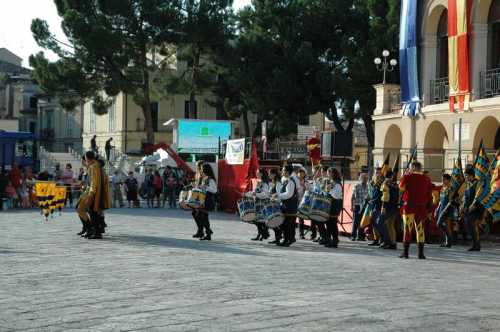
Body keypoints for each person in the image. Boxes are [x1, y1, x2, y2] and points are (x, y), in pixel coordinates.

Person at [399, 161, 433, 259]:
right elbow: (429, 194)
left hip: (409, 206)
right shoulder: (426, 179)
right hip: (421, 207)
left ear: (413, 167)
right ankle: (420, 253)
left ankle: (405, 253)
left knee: (407, 229)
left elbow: (401, 189)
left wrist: (403, 176)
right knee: (420, 230)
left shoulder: (406, 177)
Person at [76, 151, 110, 239]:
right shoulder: (95, 166)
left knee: (91, 211)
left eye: (85, 159)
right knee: (91, 211)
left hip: (93, 193)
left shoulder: (93, 167)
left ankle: (94, 231)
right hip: (93, 192)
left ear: (87, 158)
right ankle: (93, 230)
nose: (84, 161)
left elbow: (94, 182)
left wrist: (91, 193)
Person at [461, 165, 484, 252]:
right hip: (468, 208)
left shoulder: (477, 183)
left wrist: (473, 205)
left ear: (471, 175)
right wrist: (462, 205)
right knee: (468, 225)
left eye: (466, 175)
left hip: (476, 208)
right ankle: (475, 243)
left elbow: (478, 196)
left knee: (471, 223)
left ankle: (476, 245)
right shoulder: (468, 184)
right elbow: (465, 197)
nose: (465, 177)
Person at [276, 165, 298, 247]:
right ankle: (287, 239)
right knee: (285, 224)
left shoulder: (291, 181)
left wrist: (278, 195)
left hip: (290, 206)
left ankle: (287, 240)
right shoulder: (285, 180)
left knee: (287, 224)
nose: (282, 172)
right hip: (286, 205)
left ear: (288, 172)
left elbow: (289, 194)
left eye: (284, 170)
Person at [245, 168, 271, 241]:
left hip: (262, 205)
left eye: (257, 172)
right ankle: (262, 234)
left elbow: (265, 194)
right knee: (258, 221)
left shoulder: (265, 183)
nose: (256, 173)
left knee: (260, 221)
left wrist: (255, 194)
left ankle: (263, 234)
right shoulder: (259, 182)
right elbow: (254, 192)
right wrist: (246, 194)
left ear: (261, 174)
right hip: (257, 204)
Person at [377, 170, 399, 249]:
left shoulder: (385, 183)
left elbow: (385, 197)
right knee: (391, 225)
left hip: (388, 207)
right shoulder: (396, 184)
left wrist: (383, 207)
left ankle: (386, 241)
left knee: (379, 222)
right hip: (395, 207)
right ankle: (393, 243)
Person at [435, 174, 458, 248]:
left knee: (440, 224)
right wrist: (437, 209)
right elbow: (440, 200)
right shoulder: (443, 188)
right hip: (441, 207)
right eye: (442, 179)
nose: (443, 181)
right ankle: (447, 241)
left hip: (447, 209)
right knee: (444, 225)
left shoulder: (451, 188)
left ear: (448, 180)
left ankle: (449, 240)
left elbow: (450, 201)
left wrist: (445, 209)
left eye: (444, 179)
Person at [197, 163, 217, 241]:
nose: (201, 170)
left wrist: (205, 187)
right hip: (203, 200)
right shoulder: (205, 178)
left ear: (205, 170)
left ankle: (208, 233)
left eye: (202, 169)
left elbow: (214, 190)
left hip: (208, 200)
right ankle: (208, 232)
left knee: (203, 217)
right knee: (201, 216)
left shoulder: (210, 179)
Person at [324, 167, 342, 248]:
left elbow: (335, 195)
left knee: (332, 224)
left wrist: (328, 191)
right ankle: (329, 239)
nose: (328, 174)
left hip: (334, 205)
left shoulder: (337, 183)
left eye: (329, 173)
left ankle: (335, 240)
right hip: (330, 205)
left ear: (333, 174)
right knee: (329, 223)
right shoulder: (332, 182)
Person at [367, 167, 383, 246]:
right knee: (373, 223)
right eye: (376, 172)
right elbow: (372, 193)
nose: (377, 173)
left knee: (378, 223)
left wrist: (372, 200)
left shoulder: (382, 182)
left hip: (379, 206)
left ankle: (380, 239)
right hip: (372, 206)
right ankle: (376, 239)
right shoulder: (373, 182)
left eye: (378, 172)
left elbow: (380, 196)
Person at [351, 172, 368, 241]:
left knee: (362, 221)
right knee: (355, 221)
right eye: (363, 178)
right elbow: (352, 197)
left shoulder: (368, 186)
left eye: (366, 178)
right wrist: (352, 206)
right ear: (360, 179)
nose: (365, 179)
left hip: (365, 206)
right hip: (357, 205)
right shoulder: (357, 186)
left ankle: (360, 236)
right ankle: (353, 235)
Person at [191, 161, 206, 238]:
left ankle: (202, 231)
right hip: (196, 194)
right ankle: (200, 230)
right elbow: (197, 184)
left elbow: (201, 185)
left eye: (198, 166)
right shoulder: (197, 174)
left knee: (198, 214)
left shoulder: (202, 175)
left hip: (200, 196)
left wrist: (197, 186)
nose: (196, 167)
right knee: (195, 213)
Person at [268, 168, 283, 244]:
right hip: (273, 204)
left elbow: (280, 195)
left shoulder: (278, 183)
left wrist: (274, 198)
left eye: (270, 174)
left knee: (275, 222)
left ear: (274, 174)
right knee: (273, 223)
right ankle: (277, 238)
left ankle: (278, 238)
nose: (268, 175)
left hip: (276, 205)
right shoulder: (273, 182)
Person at [296, 168, 309, 240]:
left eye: (302, 173)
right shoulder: (295, 182)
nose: (300, 174)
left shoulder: (306, 182)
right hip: (295, 201)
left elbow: (309, 190)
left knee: (301, 219)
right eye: (299, 173)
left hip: (303, 202)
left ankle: (301, 234)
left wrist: (304, 185)